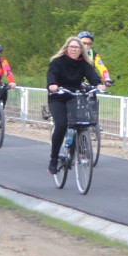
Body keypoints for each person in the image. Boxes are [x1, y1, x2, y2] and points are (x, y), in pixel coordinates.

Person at [46, 36, 105, 174]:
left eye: (77, 47)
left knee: (80, 123)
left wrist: (98, 84)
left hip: (74, 96)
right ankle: (54, 159)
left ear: (81, 50)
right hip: (58, 97)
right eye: (71, 46)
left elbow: (92, 75)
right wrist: (52, 85)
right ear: (67, 47)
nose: (74, 49)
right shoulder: (57, 62)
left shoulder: (84, 63)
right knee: (61, 124)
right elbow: (51, 74)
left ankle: (75, 149)